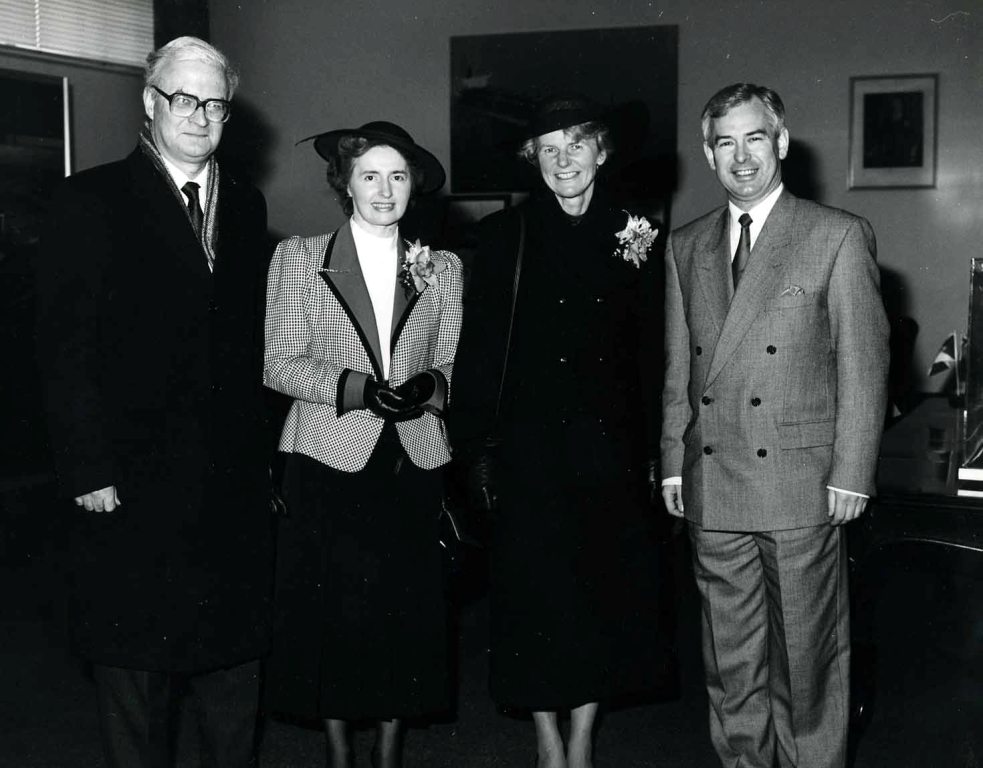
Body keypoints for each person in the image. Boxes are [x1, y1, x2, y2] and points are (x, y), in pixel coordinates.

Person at [34, 36, 274, 768]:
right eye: (182, 98)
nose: (199, 116)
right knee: (137, 685)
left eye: (214, 103)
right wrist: (87, 468)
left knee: (232, 678)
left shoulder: (247, 203)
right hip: (129, 486)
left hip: (225, 491)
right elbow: (61, 347)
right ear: (149, 102)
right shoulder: (90, 199)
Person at [660, 83, 889, 768]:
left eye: (753, 137)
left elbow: (864, 365)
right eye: (724, 141)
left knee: (806, 662)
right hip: (714, 483)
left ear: (781, 143)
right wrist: (672, 460)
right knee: (730, 667)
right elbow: (681, 371)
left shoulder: (835, 234)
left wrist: (851, 472)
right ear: (707, 153)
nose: (740, 156)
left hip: (800, 484)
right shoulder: (687, 244)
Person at [452, 96, 666, 768]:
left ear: (601, 151)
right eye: (548, 147)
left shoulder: (638, 232)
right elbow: (479, 354)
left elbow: (652, 348)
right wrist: (476, 452)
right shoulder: (502, 237)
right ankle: (548, 741)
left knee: (599, 598)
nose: (563, 159)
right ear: (532, 160)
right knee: (532, 600)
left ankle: (581, 740)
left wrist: (657, 452)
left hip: (610, 450)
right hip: (528, 450)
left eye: (576, 144)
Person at [263, 121, 462, 768]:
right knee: (334, 621)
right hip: (327, 457)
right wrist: (354, 388)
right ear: (344, 185)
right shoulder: (300, 257)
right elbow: (278, 363)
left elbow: (454, 367)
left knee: (402, 617)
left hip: (411, 460)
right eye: (369, 175)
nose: (384, 189)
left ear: (414, 188)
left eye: (397, 176)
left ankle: (388, 757)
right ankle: (340, 759)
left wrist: (428, 386)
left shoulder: (443, 267)